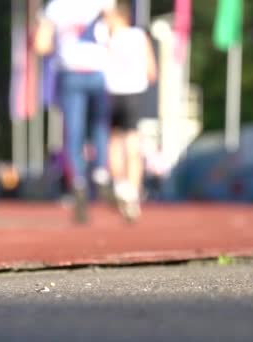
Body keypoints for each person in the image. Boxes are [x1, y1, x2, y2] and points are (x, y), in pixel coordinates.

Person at [35, 0, 114, 223]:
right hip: (97, 71)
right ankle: (100, 172)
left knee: (74, 132)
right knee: (100, 126)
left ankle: (78, 181)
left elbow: (42, 44)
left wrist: (61, 44)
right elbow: (115, 30)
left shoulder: (56, 6)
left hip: (70, 73)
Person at [103, 1, 157, 221]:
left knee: (114, 141)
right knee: (133, 141)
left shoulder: (107, 38)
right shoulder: (139, 36)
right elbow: (151, 71)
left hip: (112, 93)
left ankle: (120, 185)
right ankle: (133, 192)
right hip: (135, 93)